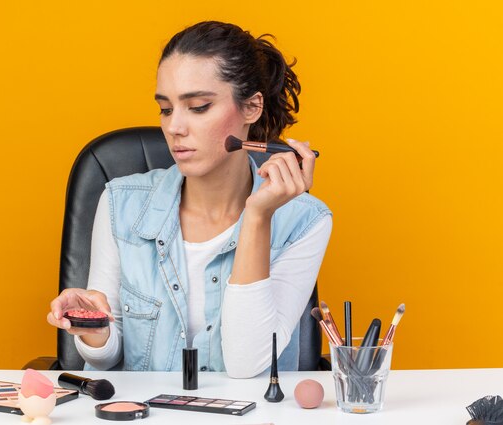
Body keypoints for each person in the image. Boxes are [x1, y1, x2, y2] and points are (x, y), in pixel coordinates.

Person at [47, 21, 332, 378]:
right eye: (166, 109)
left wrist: (258, 217)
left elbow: (247, 365)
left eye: (197, 107)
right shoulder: (121, 204)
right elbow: (106, 359)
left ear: (252, 108)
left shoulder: (305, 221)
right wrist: (95, 330)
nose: (174, 127)